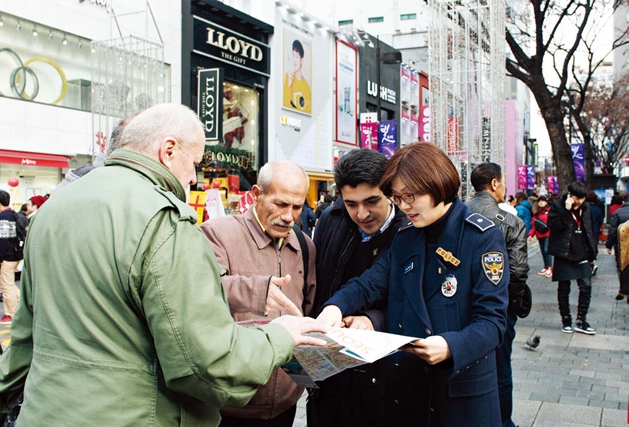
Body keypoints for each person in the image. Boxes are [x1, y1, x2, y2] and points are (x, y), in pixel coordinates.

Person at [0, 104, 327, 426]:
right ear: (168, 150)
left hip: (46, 409)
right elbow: (206, 361)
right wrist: (280, 337)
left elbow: (25, 332)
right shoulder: (162, 217)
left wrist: (4, 398)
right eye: (194, 162)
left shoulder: (54, 207)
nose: (193, 177)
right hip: (131, 415)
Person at [317, 143, 509, 427]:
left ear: (438, 184)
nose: (403, 206)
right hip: (408, 392)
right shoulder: (407, 235)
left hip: (459, 395)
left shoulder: (480, 236)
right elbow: (370, 282)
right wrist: (334, 308)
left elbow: (493, 322)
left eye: (411, 196)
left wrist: (450, 346)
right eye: (397, 197)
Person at [200, 160, 317, 427]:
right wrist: (256, 291)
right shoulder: (217, 234)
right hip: (230, 404)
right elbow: (200, 292)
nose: (288, 216)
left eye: (297, 207)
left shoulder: (305, 246)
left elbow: (308, 308)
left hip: (285, 402)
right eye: (280, 204)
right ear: (256, 194)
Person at [307, 149, 408, 427]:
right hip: (329, 369)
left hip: (382, 373)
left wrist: (372, 319)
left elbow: (411, 302)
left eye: (371, 201)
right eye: (351, 203)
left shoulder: (408, 231)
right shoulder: (331, 219)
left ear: (389, 192)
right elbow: (322, 280)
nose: (362, 214)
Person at [466, 162, 531, 427]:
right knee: (501, 368)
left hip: (460, 303)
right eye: (503, 181)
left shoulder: (457, 213)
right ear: (494, 183)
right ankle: (503, 421)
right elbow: (517, 272)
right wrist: (513, 306)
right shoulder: (512, 223)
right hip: (498, 307)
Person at [548, 181, 598, 335]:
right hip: (564, 253)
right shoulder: (558, 206)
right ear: (571, 195)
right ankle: (566, 320)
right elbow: (554, 226)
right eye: (578, 198)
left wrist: (593, 253)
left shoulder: (586, 208)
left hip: (582, 252)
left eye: (583, 198)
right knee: (564, 289)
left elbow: (589, 230)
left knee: (586, 287)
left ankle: (581, 320)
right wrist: (566, 209)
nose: (581, 201)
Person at [0, 190, 25, 325]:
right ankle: (19, 307)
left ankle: (10, 314)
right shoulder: (13, 214)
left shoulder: (4, 216)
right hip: (16, 254)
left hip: (8, 256)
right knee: (10, 284)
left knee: (6, 285)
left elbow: (4, 239)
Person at [605, 192, 629, 302]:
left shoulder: (618, 213)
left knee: (622, 266)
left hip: (621, 246)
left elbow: (613, 231)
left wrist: (608, 245)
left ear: (623, 202)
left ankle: (624, 289)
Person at [283, 39, 311, 114]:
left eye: (297, 57)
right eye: (293, 56)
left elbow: (308, 112)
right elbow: (284, 105)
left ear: (302, 60)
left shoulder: (306, 87)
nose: (294, 60)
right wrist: (289, 86)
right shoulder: (288, 77)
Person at [529, 195, 553, 277]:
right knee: (543, 251)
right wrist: (530, 235)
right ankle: (545, 266)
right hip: (539, 234)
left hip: (548, 234)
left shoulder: (550, 211)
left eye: (543, 201)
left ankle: (550, 267)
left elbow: (553, 222)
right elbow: (534, 225)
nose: (541, 202)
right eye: (540, 201)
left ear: (546, 202)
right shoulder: (536, 213)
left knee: (547, 250)